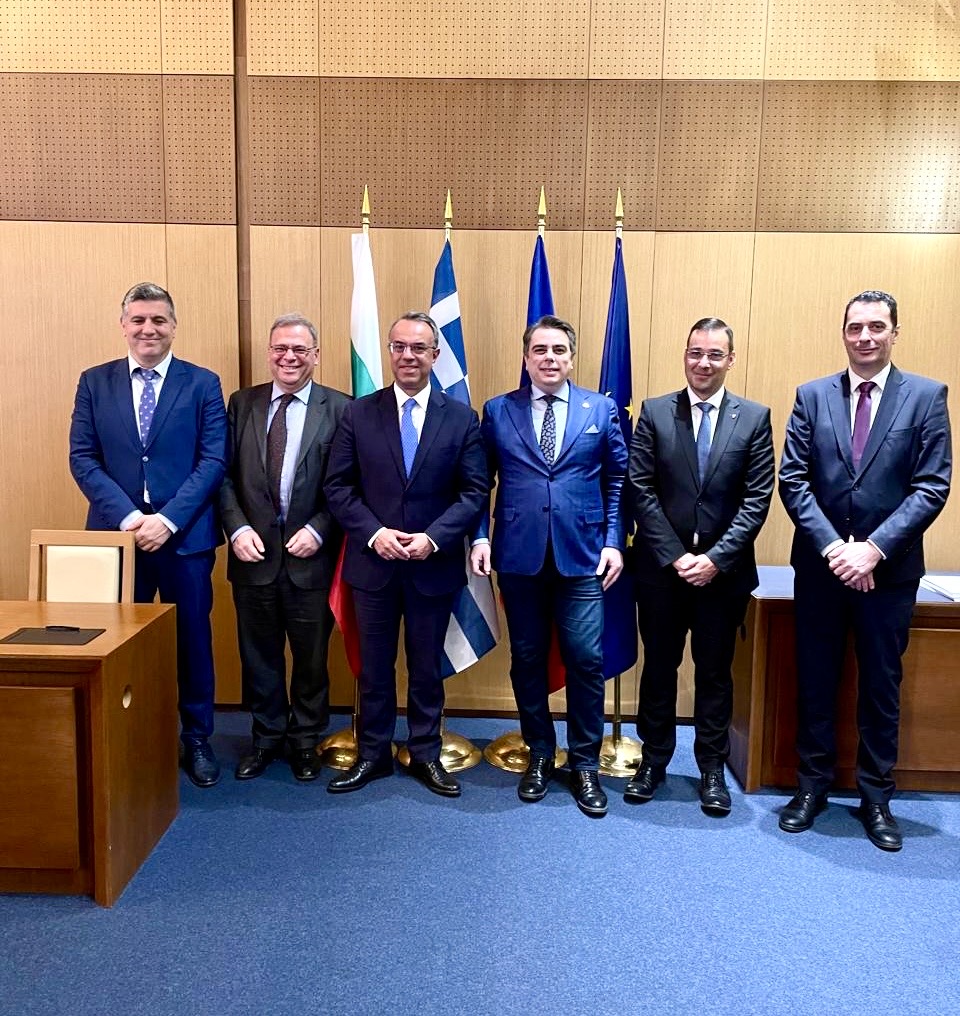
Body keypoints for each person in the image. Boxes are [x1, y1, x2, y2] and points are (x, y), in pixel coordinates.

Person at [778, 290, 951, 851]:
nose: (865, 337)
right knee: (816, 681)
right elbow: (793, 480)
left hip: (889, 574)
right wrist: (837, 550)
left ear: (895, 332)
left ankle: (876, 797)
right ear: (844, 333)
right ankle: (811, 787)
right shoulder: (812, 396)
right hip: (822, 570)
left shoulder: (926, 397)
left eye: (877, 326)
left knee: (880, 687)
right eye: (855, 327)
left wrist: (873, 550)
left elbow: (932, 487)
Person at [323, 311, 488, 797]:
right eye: (399, 346)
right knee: (373, 669)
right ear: (390, 352)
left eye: (419, 348)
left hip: (431, 566)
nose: (408, 356)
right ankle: (372, 754)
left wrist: (433, 538)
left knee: (426, 669)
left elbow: (474, 491)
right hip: (373, 565)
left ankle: (425, 753)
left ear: (435, 355)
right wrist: (374, 533)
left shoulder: (461, 418)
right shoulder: (358, 413)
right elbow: (338, 486)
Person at [69, 282, 228, 787]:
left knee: (192, 641)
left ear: (173, 326)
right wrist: (129, 519)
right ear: (123, 325)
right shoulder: (94, 382)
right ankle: (129, 738)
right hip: (118, 542)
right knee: (120, 645)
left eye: (158, 320)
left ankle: (196, 738)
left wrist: (168, 519)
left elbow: (213, 460)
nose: (148, 329)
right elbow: (82, 458)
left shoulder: (202, 383)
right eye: (138, 319)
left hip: (185, 540)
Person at [471, 315, 628, 816]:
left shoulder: (600, 409)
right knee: (527, 658)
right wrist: (480, 535)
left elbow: (617, 480)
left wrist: (613, 540)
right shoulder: (499, 410)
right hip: (519, 556)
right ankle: (539, 753)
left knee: (585, 659)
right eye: (539, 350)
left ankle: (584, 763)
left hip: (584, 557)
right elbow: (479, 482)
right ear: (526, 357)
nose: (549, 358)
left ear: (572, 358)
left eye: (559, 350)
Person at [626, 318, 774, 814]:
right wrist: (675, 555)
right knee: (659, 668)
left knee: (714, 673)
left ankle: (712, 768)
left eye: (714, 355)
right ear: (685, 355)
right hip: (661, 573)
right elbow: (640, 489)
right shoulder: (654, 412)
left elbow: (757, 499)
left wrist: (714, 559)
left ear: (731, 359)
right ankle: (653, 761)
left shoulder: (754, 418)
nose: (703, 363)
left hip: (723, 576)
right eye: (695, 353)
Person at [220, 314, 349, 782]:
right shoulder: (242, 404)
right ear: (269, 352)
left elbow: (350, 484)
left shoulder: (341, 408)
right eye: (280, 348)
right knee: (259, 655)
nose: (288, 357)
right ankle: (266, 737)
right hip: (252, 556)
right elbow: (222, 476)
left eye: (299, 349)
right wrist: (236, 529)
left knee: (311, 658)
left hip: (311, 559)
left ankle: (305, 740)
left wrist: (320, 528)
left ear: (316, 355)